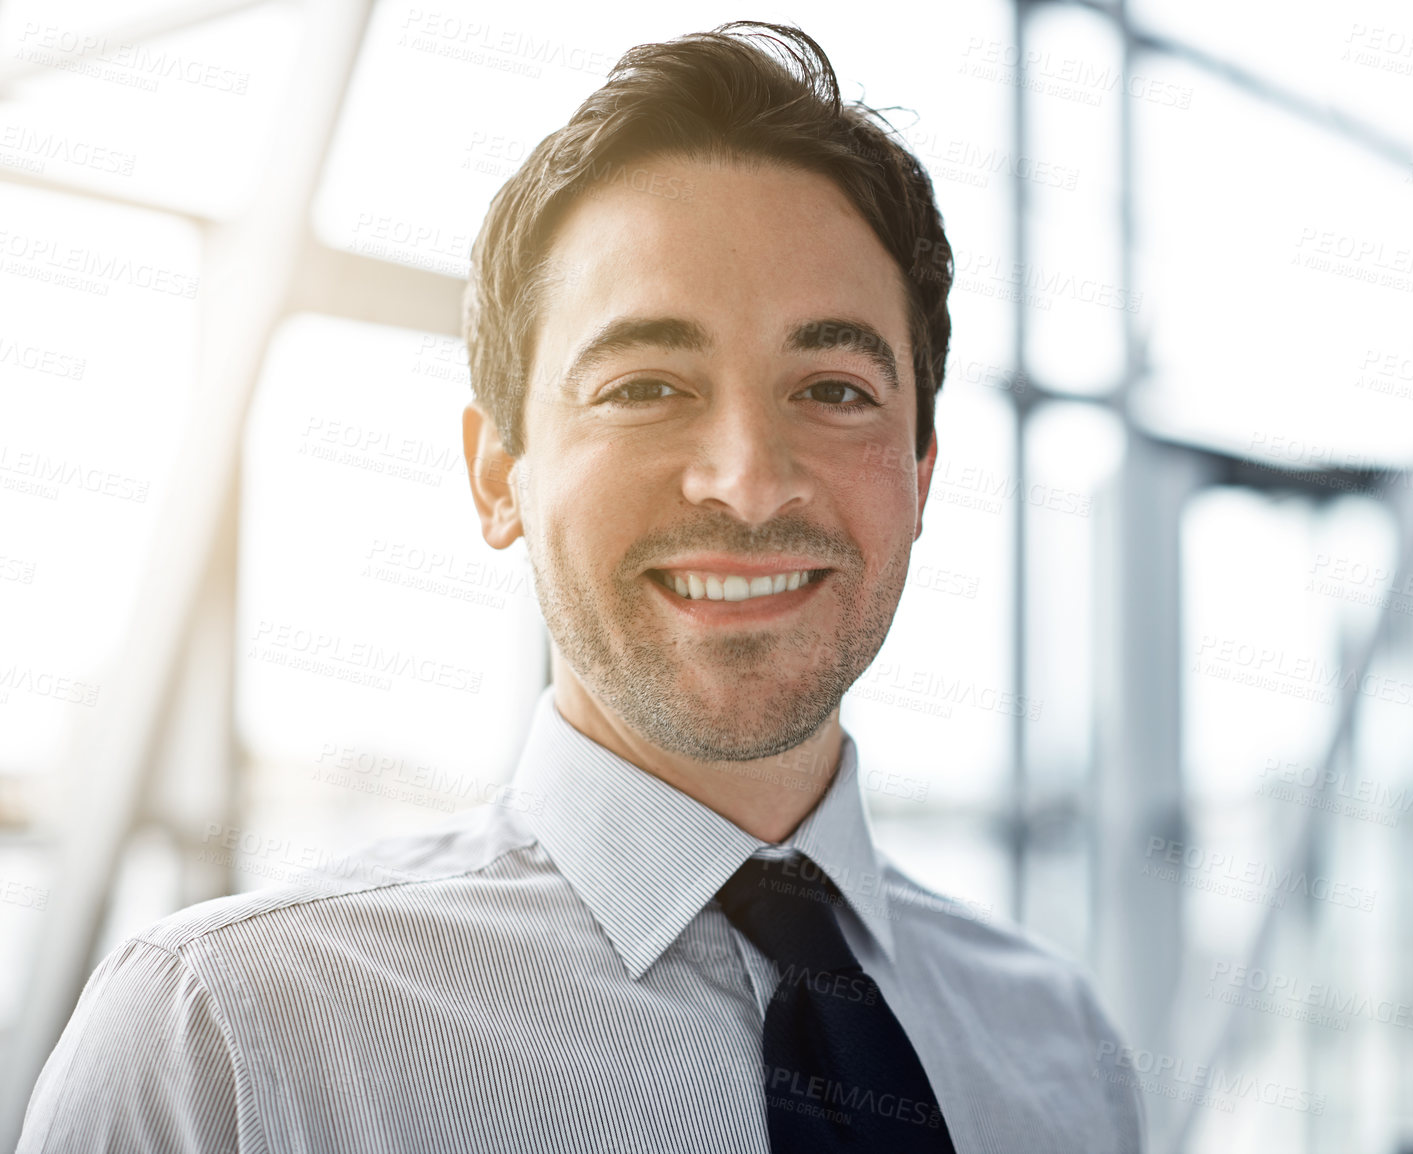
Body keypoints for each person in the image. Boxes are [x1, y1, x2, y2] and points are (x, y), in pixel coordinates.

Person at [17, 22, 1142, 1153]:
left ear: (919, 472)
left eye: (834, 389)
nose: (748, 484)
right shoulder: (229, 1044)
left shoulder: (1055, 1046)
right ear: (498, 474)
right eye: (647, 384)